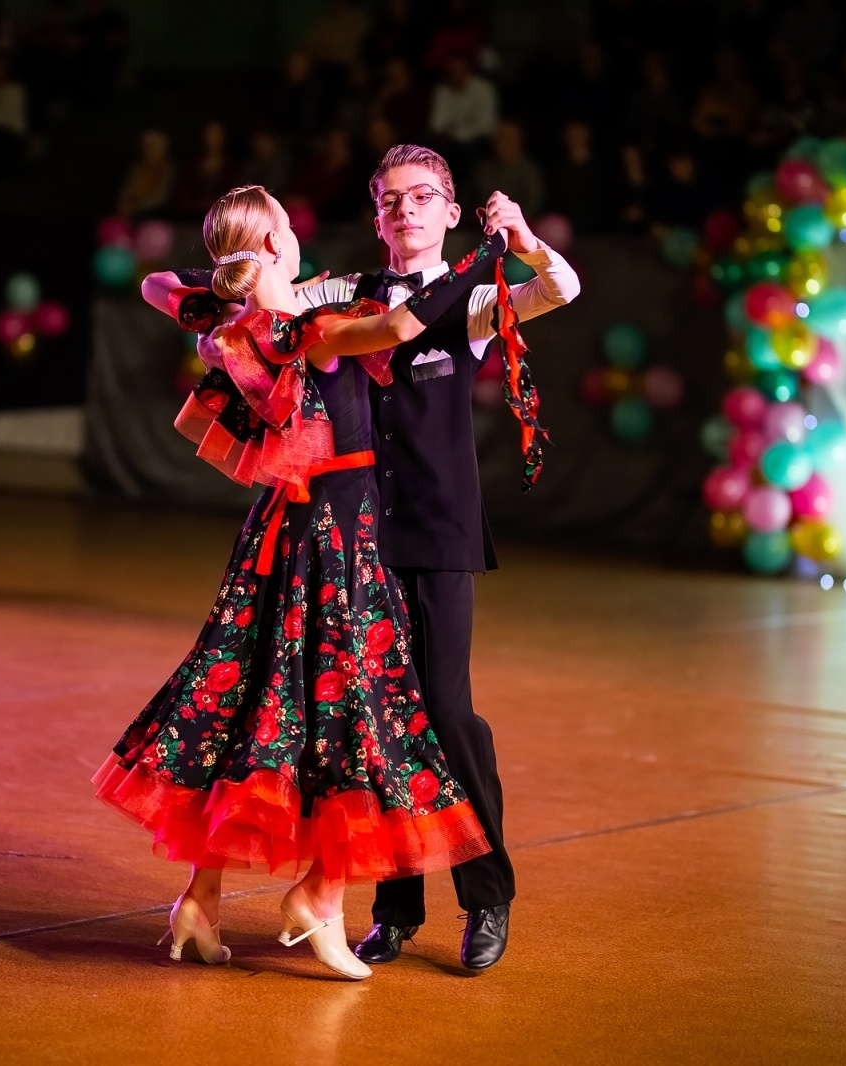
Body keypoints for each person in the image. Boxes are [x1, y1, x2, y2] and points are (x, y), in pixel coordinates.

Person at [102, 185, 506, 980]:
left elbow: (158, 285)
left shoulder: (233, 324)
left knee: (257, 703)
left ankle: (202, 900)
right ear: (276, 249)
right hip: (335, 537)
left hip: (278, 532)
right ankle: (320, 898)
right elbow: (396, 327)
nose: (299, 234)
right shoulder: (310, 330)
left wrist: (224, 286)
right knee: (353, 715)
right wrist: (481, 262)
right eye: (287, 228)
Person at [294, 144, 580, 971]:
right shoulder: (347, 295)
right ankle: (396, 909)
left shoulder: (474, 299)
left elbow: (560, 289)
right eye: (391, 201)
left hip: (442, 531)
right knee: (378, 724)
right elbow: (269, 310)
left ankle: (488, 896)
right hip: (357, 537)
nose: (406, 211)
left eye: (424, 197)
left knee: (446, 714)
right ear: (377, 216)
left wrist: (522, 237)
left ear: (452, 213)